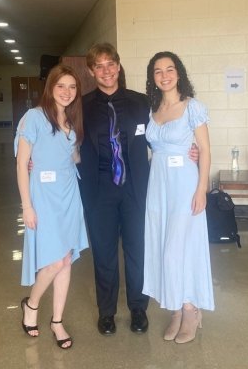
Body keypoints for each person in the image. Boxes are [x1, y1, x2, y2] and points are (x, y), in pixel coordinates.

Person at [79, 43, 199, 336]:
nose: (106, 71)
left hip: (137, 189)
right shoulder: (79, 107)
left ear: (118, 67)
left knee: (137, 251)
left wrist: (190, 150)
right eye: (99, 66)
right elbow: (62, 138)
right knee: (105, 254)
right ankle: (106, 313)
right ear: (91, 71)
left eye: (111, 64)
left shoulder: (142, 103)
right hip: (98, 190)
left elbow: (164, 135)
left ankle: (137, 309)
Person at [14, 64, 88, 350]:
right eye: (61, 86)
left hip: (69, 193)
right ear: (51, 88)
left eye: (72, 87)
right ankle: (31, 304)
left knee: (66, 258)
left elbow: (74, 158)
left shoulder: (72, 119)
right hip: (43, 195)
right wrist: (26, 206)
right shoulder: (33, 117)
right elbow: (22, 163)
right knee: (54, 260)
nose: (67, 92)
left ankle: (57, 320)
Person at [143, 51, 214, 344]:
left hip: (185, 183)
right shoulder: (152, 109)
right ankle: (175, 307)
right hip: (158, 185)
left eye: (169, 69)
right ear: (153, 78)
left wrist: (201, 189)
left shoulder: (192, 107)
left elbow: (206, 150)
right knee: (161, 245)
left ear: (178, 73)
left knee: (180, 248)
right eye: (158, 71)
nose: (164, 75)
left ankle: (191, 308)